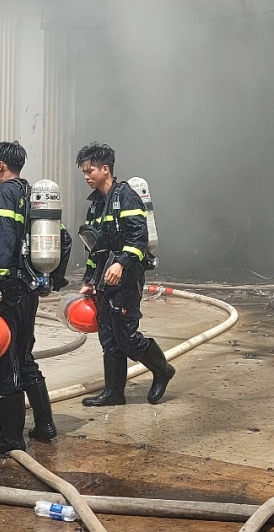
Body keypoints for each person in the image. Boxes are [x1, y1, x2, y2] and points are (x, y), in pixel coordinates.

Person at [0, 141, 72, 454]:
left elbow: (2, 241)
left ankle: (11, 437)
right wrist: (52, 279)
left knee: (3, 362)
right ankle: (44, 426)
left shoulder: (5, 193)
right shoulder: (34, 194)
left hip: (7, 292)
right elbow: (65, 238)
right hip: (29, 289)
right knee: (25, 358)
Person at [76, 142, 174, 407]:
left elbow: (138, 237)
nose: (86, 176)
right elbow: (94, 248)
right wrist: (89, 280)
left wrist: (120, 263)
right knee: (108, 336)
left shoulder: (126, 197)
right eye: (84, 172)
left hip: (127, 277)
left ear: (106, 169)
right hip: (105, 279)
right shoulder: (96, 204)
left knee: (127, 335)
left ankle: (163, 370)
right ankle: (114, 393)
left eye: (90, 170)